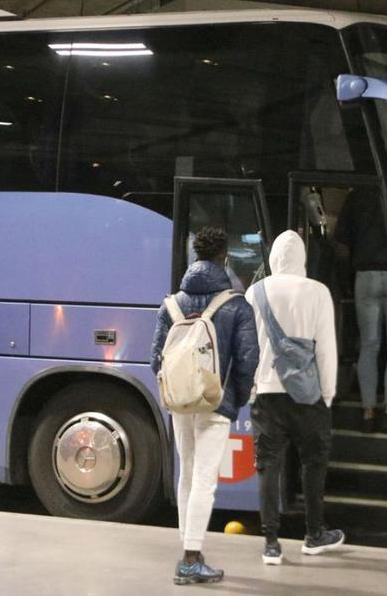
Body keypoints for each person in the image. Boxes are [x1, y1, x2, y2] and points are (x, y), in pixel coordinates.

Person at [150, 226, 259, 586]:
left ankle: (189, 547)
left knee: (188, 472)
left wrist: (176, 390)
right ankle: (190, 559)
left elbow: (156, 360)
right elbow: (247, 360)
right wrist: (235, 399)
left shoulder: (172, 303)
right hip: (215, 400)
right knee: (204, 480)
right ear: (223, 258)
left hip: (181, 401)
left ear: (194, 257)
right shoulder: (236, 305)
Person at [246, 230, 343, 565]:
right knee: (313, 464)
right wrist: (327, 394)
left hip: (267, 394)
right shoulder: (318, 292)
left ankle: (271, 543)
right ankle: (314, 534)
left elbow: (248, 348)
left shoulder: (254, 292)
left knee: (267, 468)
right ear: (302, 258)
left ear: (274, 258)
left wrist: (251, 386)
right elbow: (326, 349)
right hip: (308, 396)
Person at [334, 187, 387, 433]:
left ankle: (367, 412)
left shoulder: (355, 196)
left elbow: (341, 245)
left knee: (369, 344)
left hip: (364, 275)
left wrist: (345, 281)